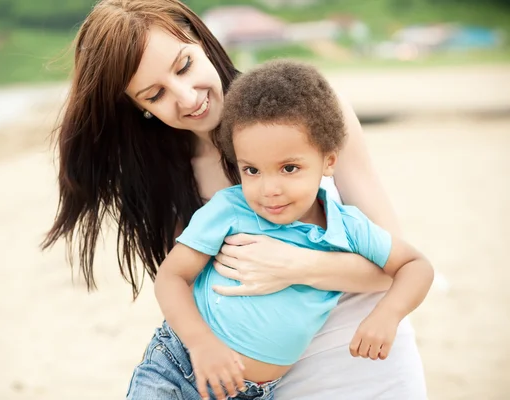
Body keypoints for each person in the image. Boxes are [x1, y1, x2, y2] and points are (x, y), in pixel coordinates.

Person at [43, 0, 430, 398]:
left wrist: (296, 266)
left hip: (367, 348)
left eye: (184, 66)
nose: (187, 97)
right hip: (259, 380)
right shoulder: (165, 179)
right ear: (139, 107)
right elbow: (186, 288)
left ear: (203, 42)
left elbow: (391, 267)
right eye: (156, 94)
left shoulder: (310, 114)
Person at [126, 59, 434, 400]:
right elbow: (171, 277)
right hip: (184, 368)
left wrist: (388, 314)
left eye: (289, 168)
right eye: (252, 170)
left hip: (259, 392)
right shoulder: (230, 208)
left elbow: (416, 266)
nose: (269, 188)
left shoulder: (348, 228)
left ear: (329, 161)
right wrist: (201, 345)